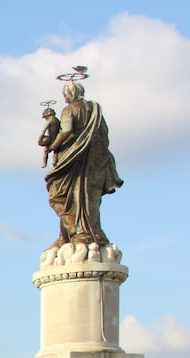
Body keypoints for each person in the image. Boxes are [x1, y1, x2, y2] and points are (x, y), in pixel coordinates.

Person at [43, 80, 122, 248]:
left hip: (72, 159)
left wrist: (53, 146)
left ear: (69, 95)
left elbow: (68, 131)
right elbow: (104, 135)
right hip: (95, 159)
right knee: (87, 197)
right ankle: (75, 234)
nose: (64, 98)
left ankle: (79, 232)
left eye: (65, 95)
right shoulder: (95, 110)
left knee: (58, 196)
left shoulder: (70, 110)